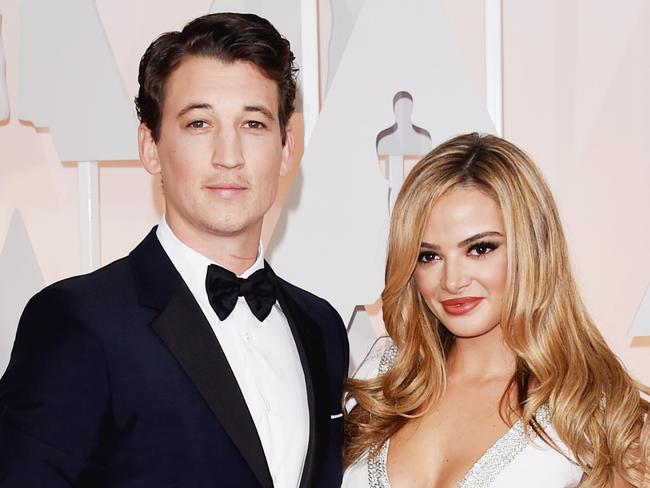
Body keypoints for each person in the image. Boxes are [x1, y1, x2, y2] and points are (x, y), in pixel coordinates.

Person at [0, 13, 348, 488]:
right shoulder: (77, 323)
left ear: (287, 147)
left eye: (253, 123)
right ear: (150, 145)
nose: (230, 155)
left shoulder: (322, 327)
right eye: (200, 123)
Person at [342, 133, 649, 487]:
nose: (453, 280)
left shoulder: (590, 409)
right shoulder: (380, 382)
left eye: (480, 249)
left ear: (531, 248)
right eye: (429, 256)